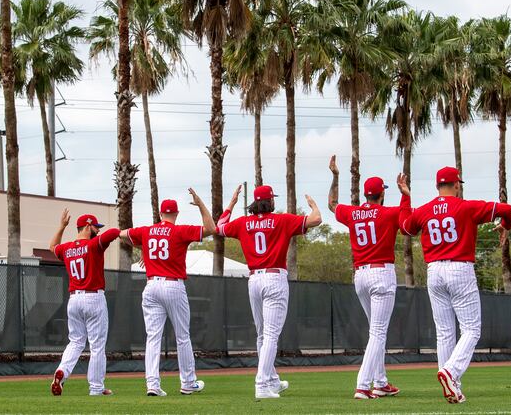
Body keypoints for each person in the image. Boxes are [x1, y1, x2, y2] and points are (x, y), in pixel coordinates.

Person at [401, 166, 511, 404]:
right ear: (456, 185)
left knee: (444, 332)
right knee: (471, 329)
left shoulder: (423, 210)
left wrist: (406, 197)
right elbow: (507, 209)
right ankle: (451, 372)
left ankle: (453, 386)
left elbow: (406, 227)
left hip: (434, 271)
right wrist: (506, 225)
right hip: (459, 269)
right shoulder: (466, 206)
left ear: (436, 186)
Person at [218, 184, 322, 400]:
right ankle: (262, 384)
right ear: (270, 201)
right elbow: (316, 219)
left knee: (262, 334)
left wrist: (232, 203)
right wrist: (313, 205)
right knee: (271, 336)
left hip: (254, 279)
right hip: (274, 278)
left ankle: (272, 380)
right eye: (273, 198)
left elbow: (219, 226)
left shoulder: (243, 223)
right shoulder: (282, 220)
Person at [328, 155, 410, 399]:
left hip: (360, 276)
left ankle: (381, 382)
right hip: (381, 274)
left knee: (377, 330)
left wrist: (335, 176)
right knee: (378, 332)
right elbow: (408, 222)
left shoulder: (352, 213)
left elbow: (332, 203)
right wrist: (405, 194)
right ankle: (363, 385)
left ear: (365, 195)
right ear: (381, 194)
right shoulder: (389, 213)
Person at [119, 189, 215, 397]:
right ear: (176, 214)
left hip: (152, 286)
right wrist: (200, 205)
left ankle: (152, 384)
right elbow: (211, 228)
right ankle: (188, 383)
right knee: (182, 337)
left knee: (153, 338)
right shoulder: (180, 231)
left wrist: (144, 250)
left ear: (161, 215)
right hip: (173, 285)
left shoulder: (147, 231)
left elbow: (122, 234)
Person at [50, 210, 120, 397]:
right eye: (96, 227)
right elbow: (113, 232)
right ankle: (96, 388)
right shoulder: (93, 245)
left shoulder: (67, 248)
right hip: (93, 297)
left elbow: (53, 246)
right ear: (88, 226)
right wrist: (123, 233)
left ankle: (62, 372)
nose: (98, 230)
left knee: (76, 342)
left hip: (74, 299)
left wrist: (62, 226)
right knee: (97, 346)